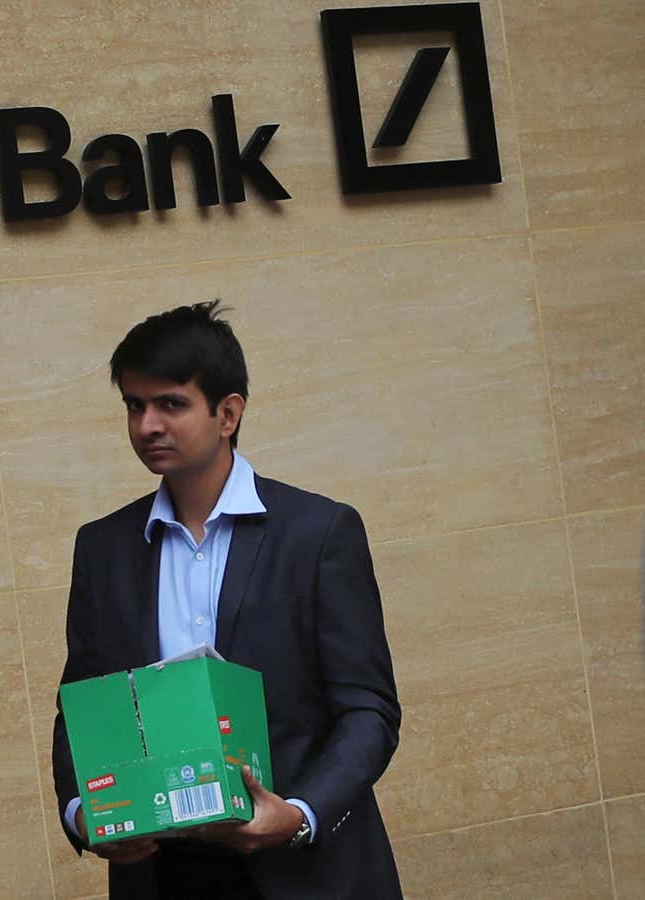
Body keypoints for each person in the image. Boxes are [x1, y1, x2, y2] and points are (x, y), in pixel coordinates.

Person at [50, 300, 403, 899]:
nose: (147, 425)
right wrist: (84, 813)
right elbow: (81, 708)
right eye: (135, 405)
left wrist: (300, 813)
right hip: (161, 874)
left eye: (171, 404)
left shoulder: (318, 534)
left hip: (307, 872)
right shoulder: (103, 548)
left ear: (228, 413)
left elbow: (368, 709)